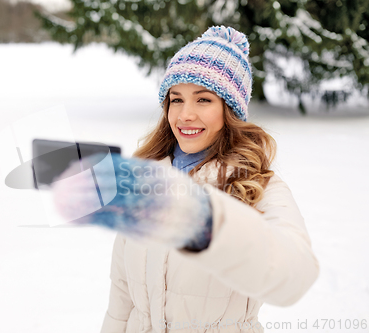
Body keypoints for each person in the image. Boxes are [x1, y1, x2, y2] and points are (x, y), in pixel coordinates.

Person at [50, 26, 319, 333]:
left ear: (229, 110)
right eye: (176, 99)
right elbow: (123, 296)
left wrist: (203, 221)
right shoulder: (146, 178)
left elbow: (295, 275)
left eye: (203, 100)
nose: (184, 115)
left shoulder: (257, 187)